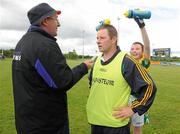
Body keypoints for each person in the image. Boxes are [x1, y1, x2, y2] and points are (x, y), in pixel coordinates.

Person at [12, 3, 93, 134]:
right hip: (47, 125)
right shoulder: (45, 44)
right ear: (45, 21)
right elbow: (62, 81)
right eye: (56, 19)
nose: (59, 24)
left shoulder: (22, 42)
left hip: (26, 122)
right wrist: (84, 66)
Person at [86, 24, 157, 134]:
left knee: (137, 129)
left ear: (114, 39)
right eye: (97, 38)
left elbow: (149, 87)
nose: (98, 41)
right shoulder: (96, 60)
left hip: (115, 125)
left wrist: (133, 108)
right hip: (95, 121)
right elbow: (92, 85)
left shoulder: (127, 61)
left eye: (102, 38)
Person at [129, 18, 151, 134]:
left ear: (142, 52)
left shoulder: (143, 63)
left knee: (137, 128)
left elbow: (147, 46)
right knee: (122, 126)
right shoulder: (126, 62)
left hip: (138, 100)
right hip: (123, 98)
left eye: (137, 48)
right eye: (132, 48)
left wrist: (142, 26)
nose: (134, 50)